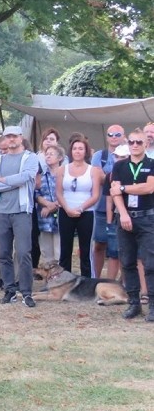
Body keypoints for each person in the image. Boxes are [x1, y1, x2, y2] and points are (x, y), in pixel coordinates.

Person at [0, 125, 40, 308]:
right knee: (4, 253)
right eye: (8, 137)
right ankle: (9, 290)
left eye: (14, 136)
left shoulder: (30, 158)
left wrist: (4, 180)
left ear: (21, 137)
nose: (11, 140)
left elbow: (28, 176)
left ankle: (26, 292)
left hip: (22, 211)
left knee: (24, 252)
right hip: (0, 211)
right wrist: (14, 182)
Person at [109, 129, 154, 321]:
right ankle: (134, 303)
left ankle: (152, 306)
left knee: (150, 263)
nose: (135, 145)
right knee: (127, 262)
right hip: (125, 217)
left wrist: (123, 188)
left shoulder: (151, 164)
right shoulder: (119, 166)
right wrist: (124, 214)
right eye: (132, 142)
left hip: (147, 219)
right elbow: (114, 193)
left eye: (139, 142)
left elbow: (149, 187)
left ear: (146, 144)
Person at [55, 137, 102, 279]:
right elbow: (58, 192)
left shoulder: (93, 170)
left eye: (81, 148)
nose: (77, 151)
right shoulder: (62, 169)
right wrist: (67, 208)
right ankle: (64, 280)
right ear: (71, 151)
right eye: (75, 148)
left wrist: (80, 208)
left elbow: (95, 195)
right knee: (65, 248)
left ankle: (87, 281)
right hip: (65, 211)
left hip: (86, 212)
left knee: (86, 249)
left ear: (86, 151)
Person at [91, 125, 125, 279]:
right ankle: (95, 279)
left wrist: (109, 177)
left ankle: (123, 282)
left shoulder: (130, 153)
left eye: (117, 134)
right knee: (99, 245)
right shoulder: (100, 155)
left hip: (123, 209)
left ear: (124, 136)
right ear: (106, 137)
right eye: (110, 134)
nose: (114, 136)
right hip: (101, 207)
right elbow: (97, 178)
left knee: (120, 249)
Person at [34, 144, 63, 266]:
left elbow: (67, 193)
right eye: (47, 154)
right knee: (46, 252)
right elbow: (36, 193)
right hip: (44, 219)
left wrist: (53, 206)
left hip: (61, 218)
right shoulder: (42, 175)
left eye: (51, 154)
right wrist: (47, 204)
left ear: (60, 158)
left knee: (59, 251)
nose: (48, 156)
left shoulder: (65, 174)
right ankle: (49, 279)